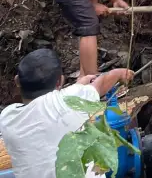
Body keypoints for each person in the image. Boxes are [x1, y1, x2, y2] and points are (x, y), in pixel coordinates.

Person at [0, 48, 134, 178]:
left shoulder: (6, 117)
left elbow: (48, 105)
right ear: (60, 81)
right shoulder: (69, 102)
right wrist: (119, 73)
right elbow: (101, 84)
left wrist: (79, 86)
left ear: (17, 80)